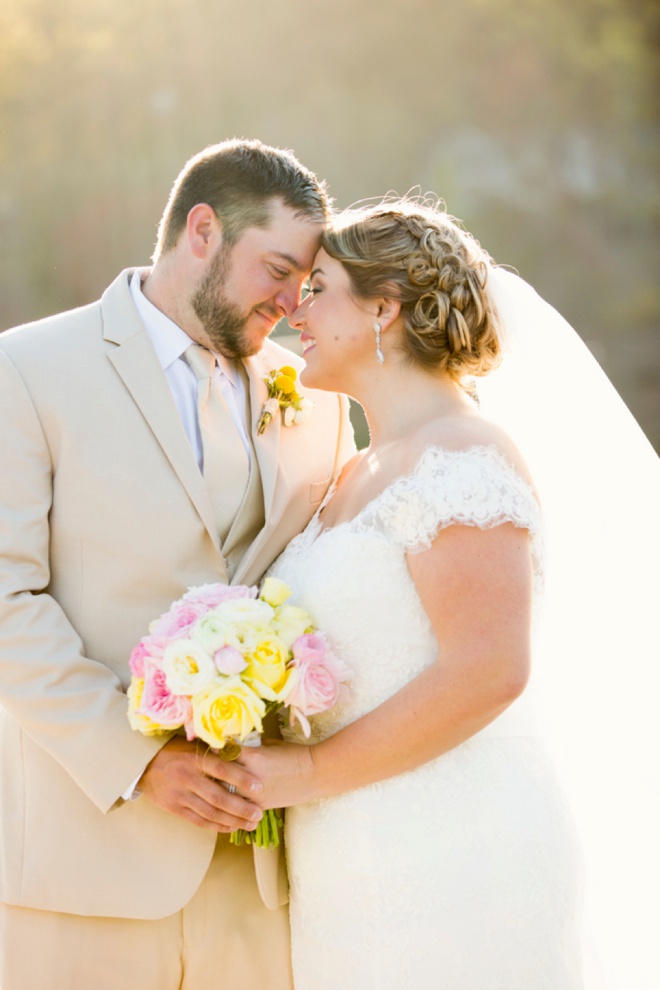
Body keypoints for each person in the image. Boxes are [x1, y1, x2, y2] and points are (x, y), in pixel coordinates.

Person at [238, 198, 660, 988]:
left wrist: (311, 773)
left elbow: (489, 669)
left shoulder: (462, 457)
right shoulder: (353, 471)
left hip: (460, 855)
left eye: (320, 286)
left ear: (385, 310)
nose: (296, 305)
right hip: (347, 855)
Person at [0, 138, 355, 990]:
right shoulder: (27, 368)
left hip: (258, 877)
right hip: (81, 864)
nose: (290, 301)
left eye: (305, 283)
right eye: (276, 268)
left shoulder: (318, 400)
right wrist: (140, 762)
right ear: (203, 230)